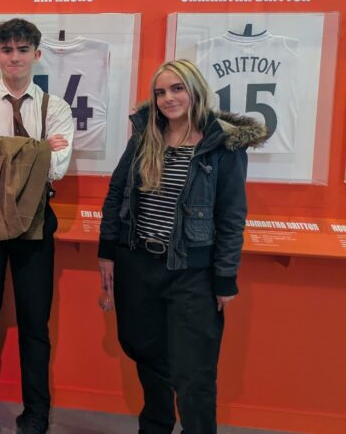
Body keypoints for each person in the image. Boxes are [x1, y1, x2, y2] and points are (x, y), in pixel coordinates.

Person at [98, 59, 265, 434]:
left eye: (177, 89)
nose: (168, 98)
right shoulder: (145, 136)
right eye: (161, 91)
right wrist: (107, 252)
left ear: (195, 91)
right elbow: (116, 194)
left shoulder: (222, 145)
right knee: (147, 356)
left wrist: (225, 278)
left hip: (193, 272)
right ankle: (154, 427)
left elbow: (232, 217)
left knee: (194, 374)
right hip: (138, 266)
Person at [0, 19, 74, 434]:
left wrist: (0, 152)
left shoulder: (55, 107)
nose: (14, 58)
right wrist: (38, 150)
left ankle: (36, 412)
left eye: (22, 50)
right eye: (6, 50)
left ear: (37, 55)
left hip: (36, 225)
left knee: (34, 323)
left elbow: (58, 169)